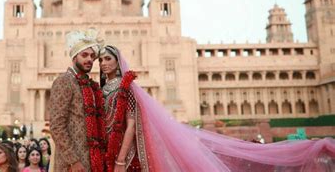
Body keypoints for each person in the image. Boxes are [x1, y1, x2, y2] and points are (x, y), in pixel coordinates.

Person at [100, 44, 335, 171]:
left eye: (107, 58)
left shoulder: (127, 87)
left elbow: (131, 123)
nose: (102, 63)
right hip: (106, 151)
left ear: (118, 61)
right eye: (100, 59)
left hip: (126, 155)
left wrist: (121, 159)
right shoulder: (103, 89)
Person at [50, 29, 105, 172]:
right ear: (74, 57)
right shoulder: (64, 81)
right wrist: (73, 160)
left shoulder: (90, 85)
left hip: (91, 160)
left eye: (92, 56)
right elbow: (57, 126)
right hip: (72, 165)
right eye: (84, 55)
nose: (89, 59)